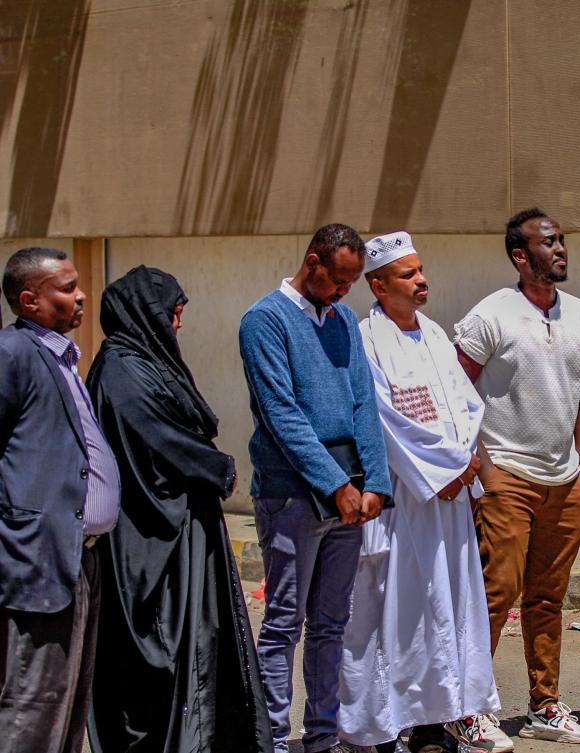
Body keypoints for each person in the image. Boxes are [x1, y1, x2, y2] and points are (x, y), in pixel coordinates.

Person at [84, 266, 273, 752]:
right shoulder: (121, 368)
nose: (179, 325)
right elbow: (159, 438)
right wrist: (216, 467)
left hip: (183, 529)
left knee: (202, 644)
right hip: (150, 536)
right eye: (173, 314)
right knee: (164, 653)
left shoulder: (143, 361)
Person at [338, 232, 509, 753]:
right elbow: (383, 422)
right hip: (406, 501)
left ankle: (438, 721)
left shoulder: (434, 334)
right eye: (408, 274)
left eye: (420, 270)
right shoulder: (364, 342)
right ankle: (380, 727)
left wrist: (468, 463)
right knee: (396, 614)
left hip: (449, 502)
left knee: (450, 608)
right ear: (378, 283)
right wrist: (447, 470)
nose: (421, 280)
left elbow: (466, 404)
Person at [239, 224, 392, 753]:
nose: (347, 289)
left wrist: (375, 481)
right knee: (284, 624)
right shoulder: (264, 321)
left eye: (354, 281)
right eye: (341, 279)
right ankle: (274, 741)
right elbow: (282, 414)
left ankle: (322, 737)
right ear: (313, 262)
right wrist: (333, 485)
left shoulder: (344, 320)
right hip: (291, 496)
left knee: (332, 624)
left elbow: (363, 405)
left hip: (349, 495)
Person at [454, 208, 580, 744]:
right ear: (521, 256)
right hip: (506, 477)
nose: (560, 249)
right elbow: (457, 390)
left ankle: (546, 706)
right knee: (496, 592)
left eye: (562, 240)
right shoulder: (491, 315)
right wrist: (484, 468)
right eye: (548, 242)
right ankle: (467, 708)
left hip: (564, 480)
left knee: (548, 596)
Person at [0, 247, 121, 753]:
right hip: (39, 555)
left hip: (79, 554)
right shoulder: (14, 354)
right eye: (67, 288)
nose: (82, 296)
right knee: (35, 703)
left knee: (70, 699)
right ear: (30, 300)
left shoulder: (62, 357)